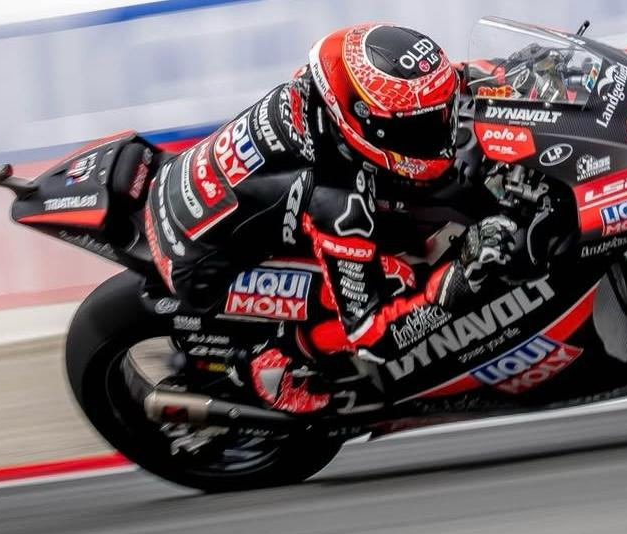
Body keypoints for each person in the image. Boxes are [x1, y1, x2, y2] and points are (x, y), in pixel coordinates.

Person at [137, 23, 520, 412]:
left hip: (198, 199)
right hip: (201, 265)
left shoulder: (329, 89)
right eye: (422, 126)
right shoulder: (337, 200)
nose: (443, 130)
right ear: (369, 123)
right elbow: (372, 333)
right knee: (399, 280)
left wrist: (510, 74)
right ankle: (276, 359)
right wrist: (459, 278)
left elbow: (440, 85)